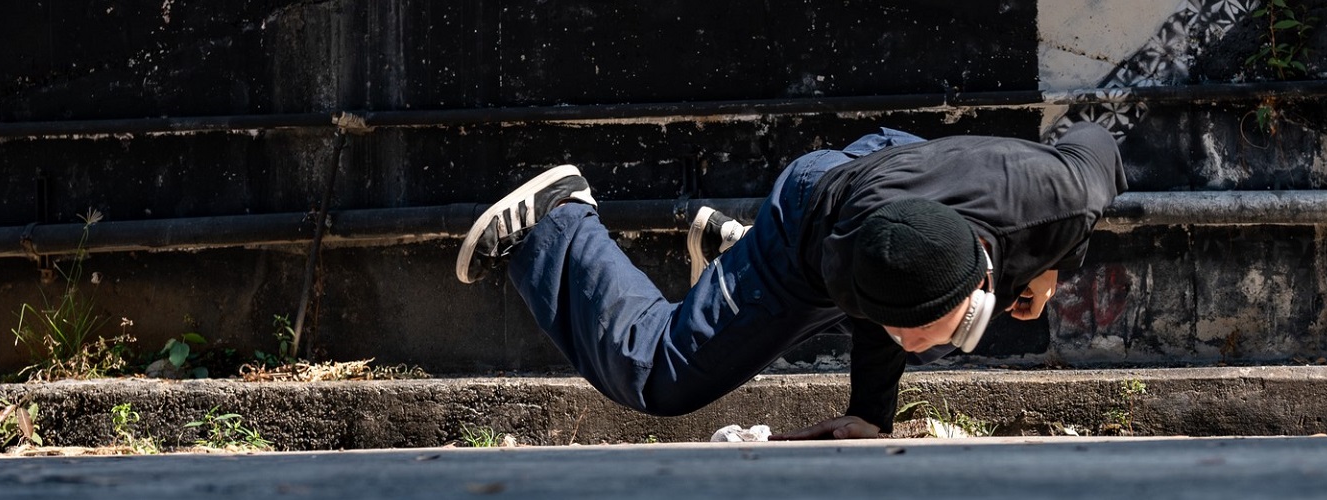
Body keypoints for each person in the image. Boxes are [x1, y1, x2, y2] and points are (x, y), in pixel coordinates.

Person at [456, 122, 1127, 439]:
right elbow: (874, 323)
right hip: (811, 218)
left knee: (881, 297)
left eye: (956, 329)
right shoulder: (848, 266)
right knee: (660, 374)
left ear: (982, 274)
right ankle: (556, 224)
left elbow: (1095, 140)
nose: (923, 349)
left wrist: (1049, 265)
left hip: (896, 158)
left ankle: (733, 252)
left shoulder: (1064, 192)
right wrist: (872, 416)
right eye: (913, 336)